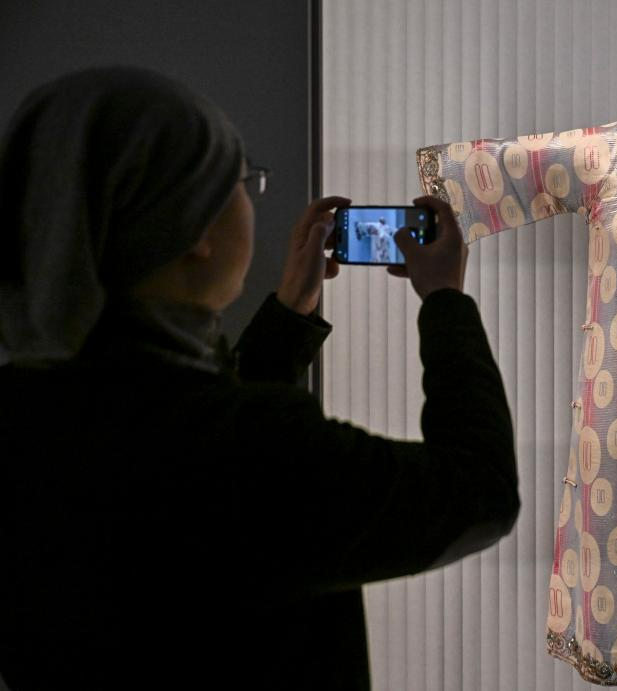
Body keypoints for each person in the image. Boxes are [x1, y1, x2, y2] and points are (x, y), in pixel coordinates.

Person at [0, 65, 519, 691]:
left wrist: (291, 312)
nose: (252, 198)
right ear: (196, 230)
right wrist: (445, 302)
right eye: (242, 181)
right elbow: (478, 491)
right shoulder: (244, 450)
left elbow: (195, 431)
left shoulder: (26, 414)